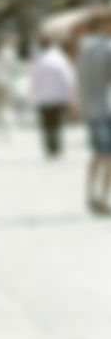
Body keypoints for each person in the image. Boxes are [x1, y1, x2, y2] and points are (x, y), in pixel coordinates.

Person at [77, 15, 111, 214]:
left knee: (98, 154)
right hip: (106, 106)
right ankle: (104, 198)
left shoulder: (85, 48)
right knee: (108, 156)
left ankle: (90, 194)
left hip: (90, 107)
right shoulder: (107, 48)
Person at [29, 34, 76, 158]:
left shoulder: (39, 60)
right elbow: (68, 79)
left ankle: (50, 147)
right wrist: (70, 97)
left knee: (47, 125)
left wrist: (33, 97)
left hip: (43, 98)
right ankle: (57, 147)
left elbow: (34, 81)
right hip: (59, 97)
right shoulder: (60, 60)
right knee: (57, 124)